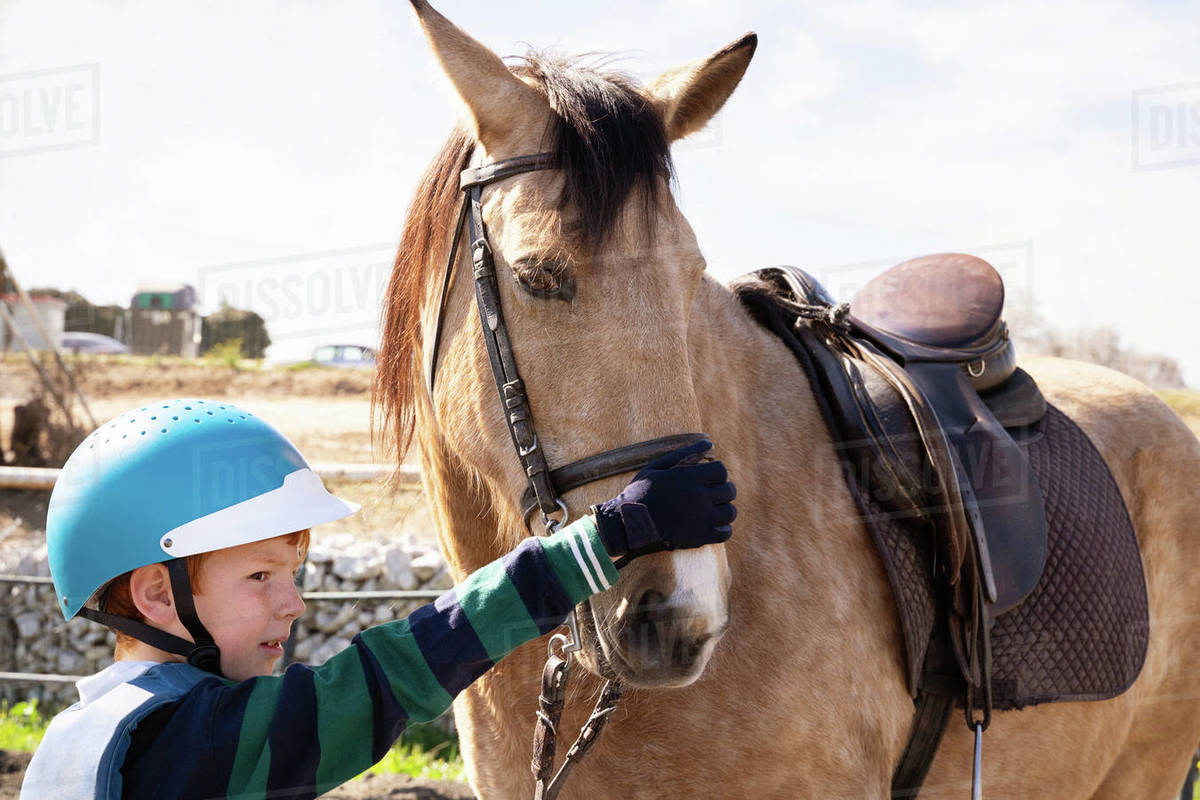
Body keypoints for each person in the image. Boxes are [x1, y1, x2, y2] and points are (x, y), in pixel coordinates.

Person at [20, 399, 736, 800]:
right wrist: (609, 535)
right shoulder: (188, 741)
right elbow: (388, 677)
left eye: (290, 574)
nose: (293, 603)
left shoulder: (82, 736)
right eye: (261, 577)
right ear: (155, 593)